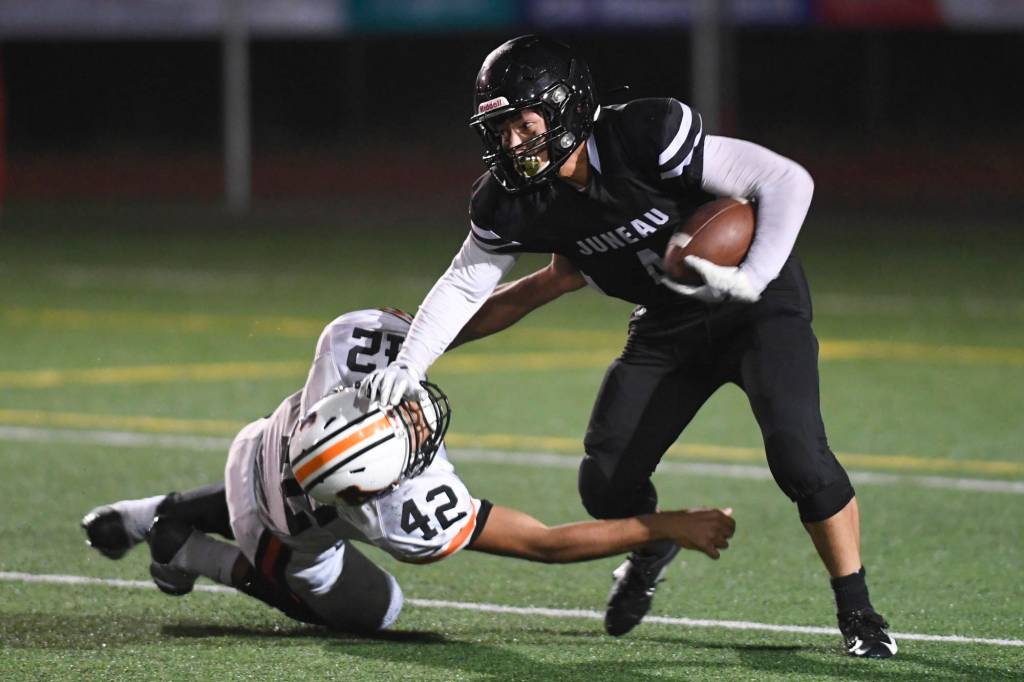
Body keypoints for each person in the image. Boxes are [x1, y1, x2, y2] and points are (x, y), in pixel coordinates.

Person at [359, 36, 896, 657]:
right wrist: (411, 360)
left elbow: (785, 181)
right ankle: (651, 546)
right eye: (498, 128)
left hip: (755, 306)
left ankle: (858, 611)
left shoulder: (642, 134)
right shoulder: (515, 198)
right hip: (668, 322)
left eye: (522, 123)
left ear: (564, 109)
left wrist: (750, 276)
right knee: (607, 483)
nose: (510, 143)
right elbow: (467, 282)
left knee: (800, 455)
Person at [81, 308, 736, 633]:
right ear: (380, 486)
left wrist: (548, 282)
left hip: (255, 453)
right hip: (276, 534)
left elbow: (446, 320)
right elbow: (544, 542)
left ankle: (152, 514)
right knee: (379, 611)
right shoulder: (397, 510)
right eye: (411, 432)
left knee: (273, 511)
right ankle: (192, 552)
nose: (421, 418)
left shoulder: (349, 356)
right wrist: (664, 523)